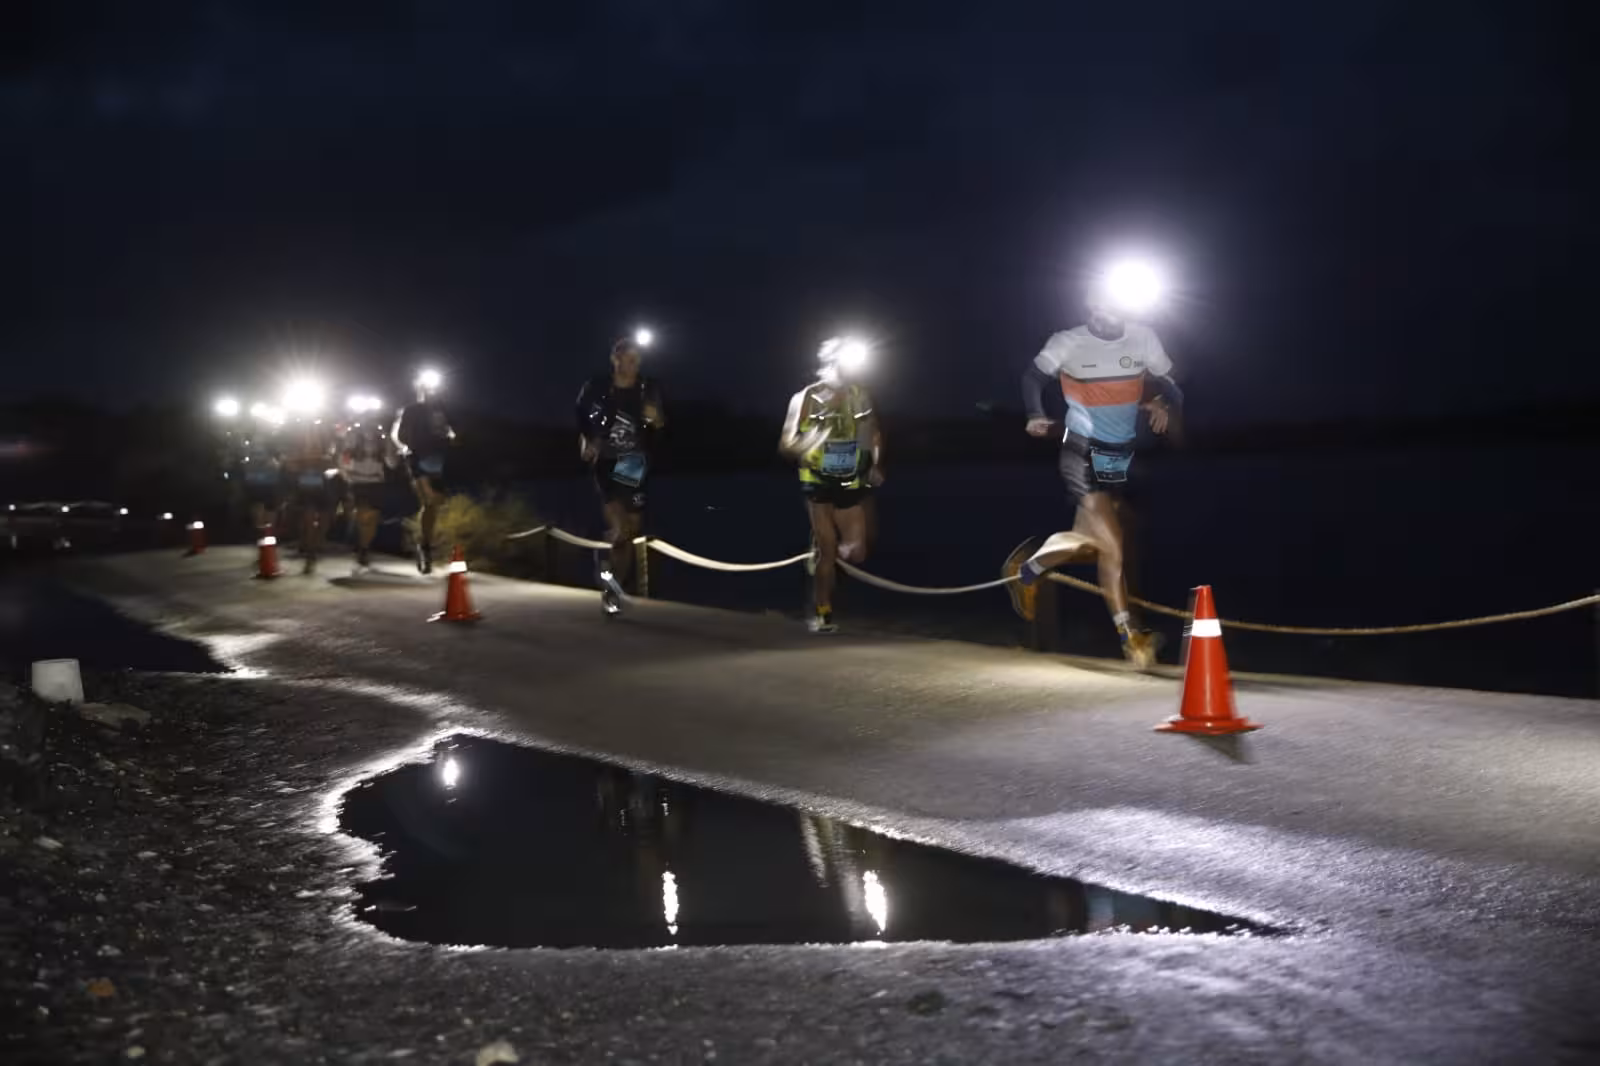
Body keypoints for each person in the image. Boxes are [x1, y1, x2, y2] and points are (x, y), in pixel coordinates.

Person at [1004, 280, 1181, 669]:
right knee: (1114, 543)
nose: (1108, 310)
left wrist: (1161, 400)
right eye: (1101, 303)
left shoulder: (1143, 338)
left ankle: (1027, 569)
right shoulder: (1068, 341)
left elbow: (1170, 378)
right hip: (1079, 449)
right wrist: (1035, 414)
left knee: (1089, 542)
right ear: (1090, 306)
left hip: (1117, 455)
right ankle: (1131, 639)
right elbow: (1032, 378)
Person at [779, 337, 884, 634]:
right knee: (828, 550)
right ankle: (823, 612)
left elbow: (874, 434)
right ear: (831, 361)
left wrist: (875, 464)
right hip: (817, 482)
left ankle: (820, 561)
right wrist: (806, 444)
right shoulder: (807, 397)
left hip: (850, 479)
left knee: (857, 552)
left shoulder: (860, 396)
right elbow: (786, 443)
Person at [576, 337, 665, 615]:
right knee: (622, 530)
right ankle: (611, 589)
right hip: (605, 461)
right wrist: (588, 440)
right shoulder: (598, 386)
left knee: (631, 531)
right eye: (628, 361)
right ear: (615, 360)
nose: (633, 366)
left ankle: (612, 578)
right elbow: (580, 412)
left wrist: (655, 419)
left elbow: (660, 421)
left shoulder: (646, 387)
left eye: (637, 361)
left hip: (632, 462)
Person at [392, 370, 455, 575]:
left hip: (438, 461)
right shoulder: (411, 410)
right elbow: (399, 435)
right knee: (430, 500)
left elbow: (451, 431)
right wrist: (409, 447)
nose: (430, 392)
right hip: (417, 459)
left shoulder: (443, 410)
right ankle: (425, 548)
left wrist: (452, 438)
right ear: (419, 390)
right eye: (426, 388)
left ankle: (423, 542)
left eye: (434, 388)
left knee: (434, 505)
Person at [337, 408, 396, 572]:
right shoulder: (352, 435)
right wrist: (345, 472)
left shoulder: (382, 437)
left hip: (376, 481)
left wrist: (389, 448)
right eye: (367, 418)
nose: (370, 421)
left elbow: (392, 462)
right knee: (364, 514)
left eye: (373, 418)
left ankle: (364, 547)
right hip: (357, 480)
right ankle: (361, 546)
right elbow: (344, 455)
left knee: (373, 518)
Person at [279, 415, 338, 575]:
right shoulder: (299, 450)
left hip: (322, 490)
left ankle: (315, 544)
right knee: (308, 520)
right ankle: (310, 553)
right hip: (306, 491)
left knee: (325, 518)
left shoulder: (324, 443)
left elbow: (333, 463)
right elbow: (289, 465)